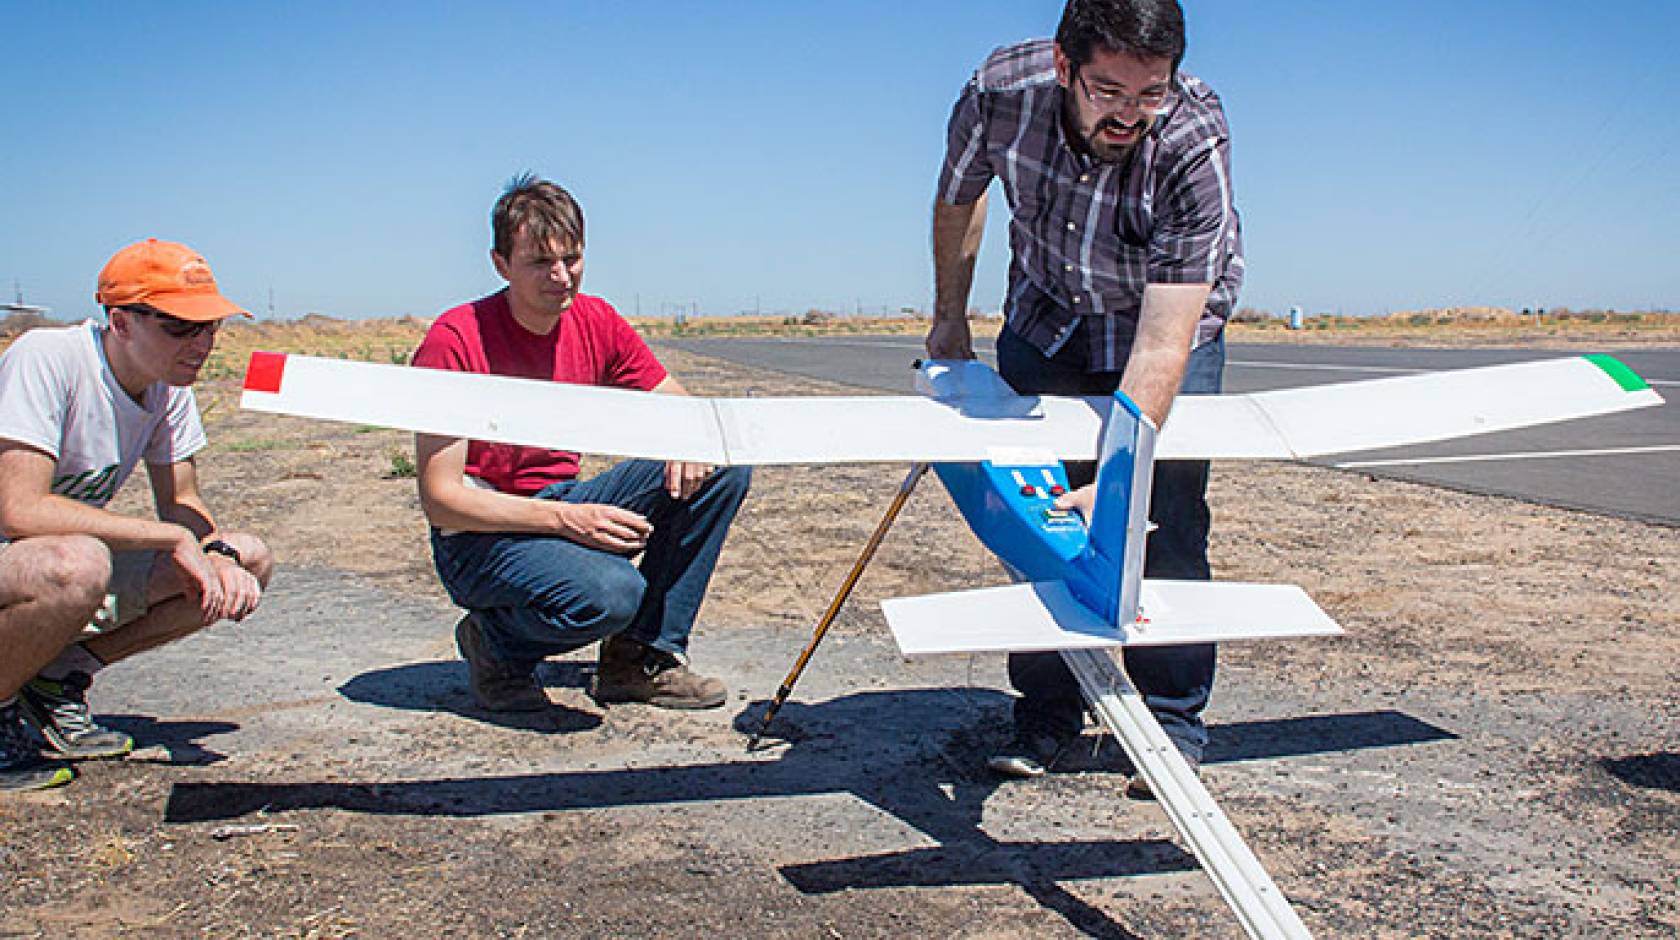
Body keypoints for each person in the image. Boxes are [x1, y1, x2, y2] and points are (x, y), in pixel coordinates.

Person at [928, 0, 1241, 793]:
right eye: (1108, 92)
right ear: (1065, 67)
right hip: (1047, 314)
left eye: (1150, 94)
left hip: (1163, 322)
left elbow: (1167, 336)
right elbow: (960, 198)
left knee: (1160, 516)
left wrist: (1124, 464)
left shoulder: (1192, 135)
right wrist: (947, 320)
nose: (1130, 115)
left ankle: (1171, 724)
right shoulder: (1000, 92)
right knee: (1041, 514)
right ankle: (1047, 714)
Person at [413, 175, 750, 714]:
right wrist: (570, 524)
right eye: (540, 262)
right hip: (481, 534)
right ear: (500, 264)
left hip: (563, 499)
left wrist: (689, 435)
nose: (561, 276)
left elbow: (680, 404)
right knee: (612, 595)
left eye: (572, 258)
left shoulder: (595, 320)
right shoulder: (455, 339)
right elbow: (442, 499)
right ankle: (495, 647)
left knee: (724, 465)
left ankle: (638, 657)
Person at [0, 239, 274, 791]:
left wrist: (213, 554)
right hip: (25, 560)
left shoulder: (166, 384)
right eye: (180, 326)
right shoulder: (46, 358)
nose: (201, 343)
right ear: (120, 322)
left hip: (31, 567)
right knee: (73, 563)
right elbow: (19, 509)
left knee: (245, 557)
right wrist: (172, 537)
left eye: (210, 327)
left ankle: (55, 680)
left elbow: (183, 502)